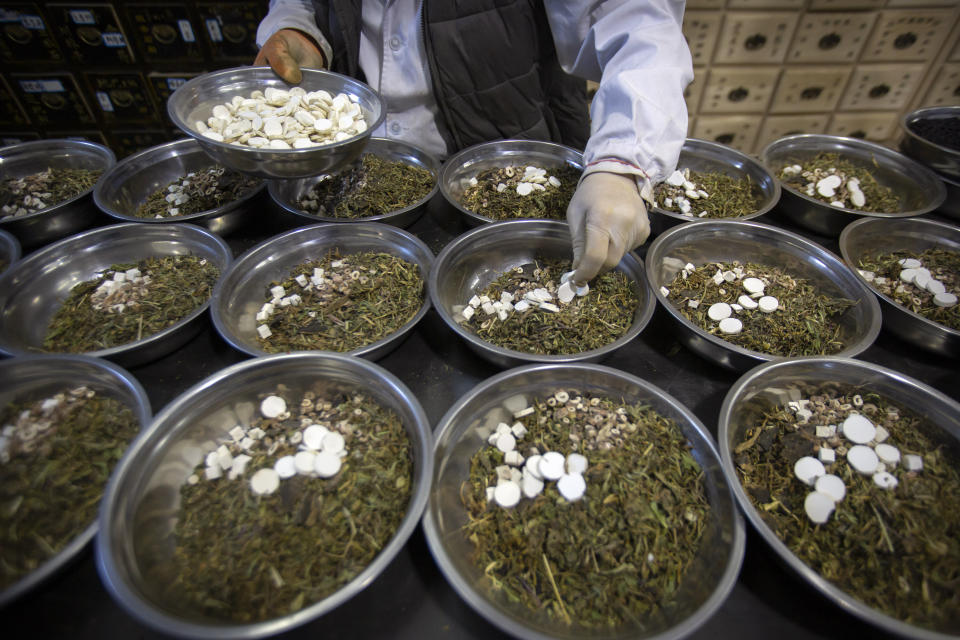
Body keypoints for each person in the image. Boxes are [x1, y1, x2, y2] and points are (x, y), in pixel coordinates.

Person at [255, 1, 692, 285]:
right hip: (360, 163)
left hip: (502, 161)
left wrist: (622, 162)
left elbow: (637, 22)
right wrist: (301, 27)